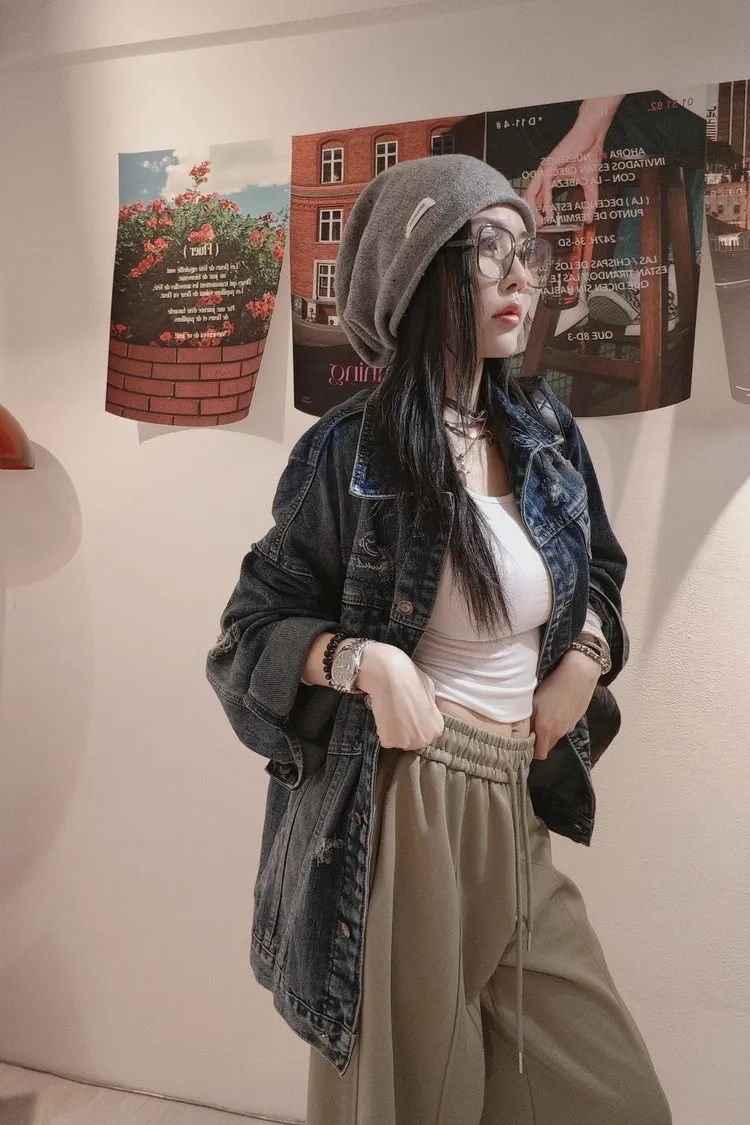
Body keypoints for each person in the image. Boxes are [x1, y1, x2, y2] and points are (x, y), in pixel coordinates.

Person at [206, 154, 671, 1125]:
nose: (520, 276)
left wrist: (585, 657)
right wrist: (363, 662)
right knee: (411, 1103)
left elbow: (601, 575)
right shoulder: (351, 449)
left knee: (613, 1096)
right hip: (405, 806)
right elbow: (246, 636)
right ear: (419, 272)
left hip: (517, 799)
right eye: (487, 250)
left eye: (527, 251)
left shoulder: (545, 431)